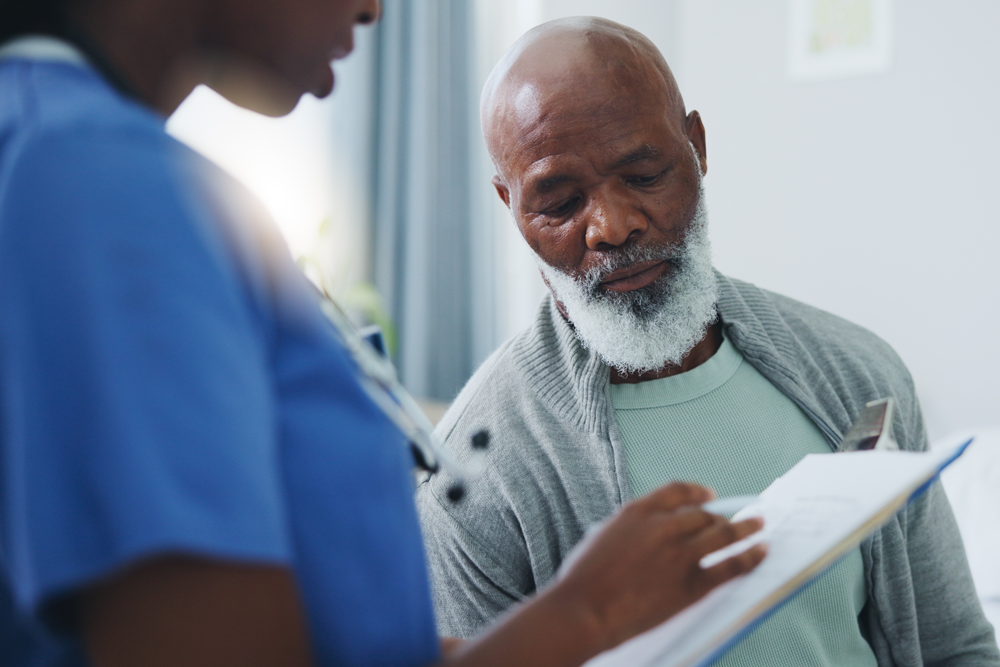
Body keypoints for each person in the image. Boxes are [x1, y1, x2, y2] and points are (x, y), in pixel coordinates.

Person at [0, 2, 772, 666]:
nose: (375, 10)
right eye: (561, 197)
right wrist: (585, 614)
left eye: (642, 174)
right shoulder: (100, 184)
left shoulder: (79, 154)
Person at [416, 16, 1000, 667]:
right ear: (509, 203)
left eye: (642, 174)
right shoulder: (473, 476)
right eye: (559, 201)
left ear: (696, 146)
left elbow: (957, 647)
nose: (612, 225)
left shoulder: (861, 375)